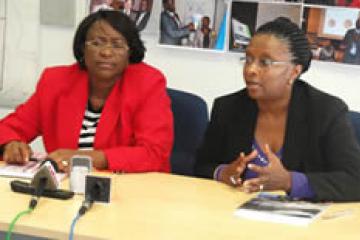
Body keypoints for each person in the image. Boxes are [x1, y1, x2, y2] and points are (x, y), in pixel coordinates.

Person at [195, 17, 360, 202]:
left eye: (265, 62)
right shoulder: (228, 108)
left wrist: (290, 181)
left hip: (303, 225)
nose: (250, 70)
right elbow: (200, 165)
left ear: (294, 72)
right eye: (248, 59)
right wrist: (223, 173)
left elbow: (354, 180)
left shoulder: (326, 112)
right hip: (233, 218)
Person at [0, 10, 174, 173]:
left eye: (117, 45)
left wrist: (86, 158)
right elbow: (10, 127)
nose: (106, 52)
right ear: (83, 48)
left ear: (130, 52)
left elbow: (154, 153)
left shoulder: (147, 83)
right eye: (97, 43)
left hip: (128, 189)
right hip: (65, 187)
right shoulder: (55, 82)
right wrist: (10, 143)